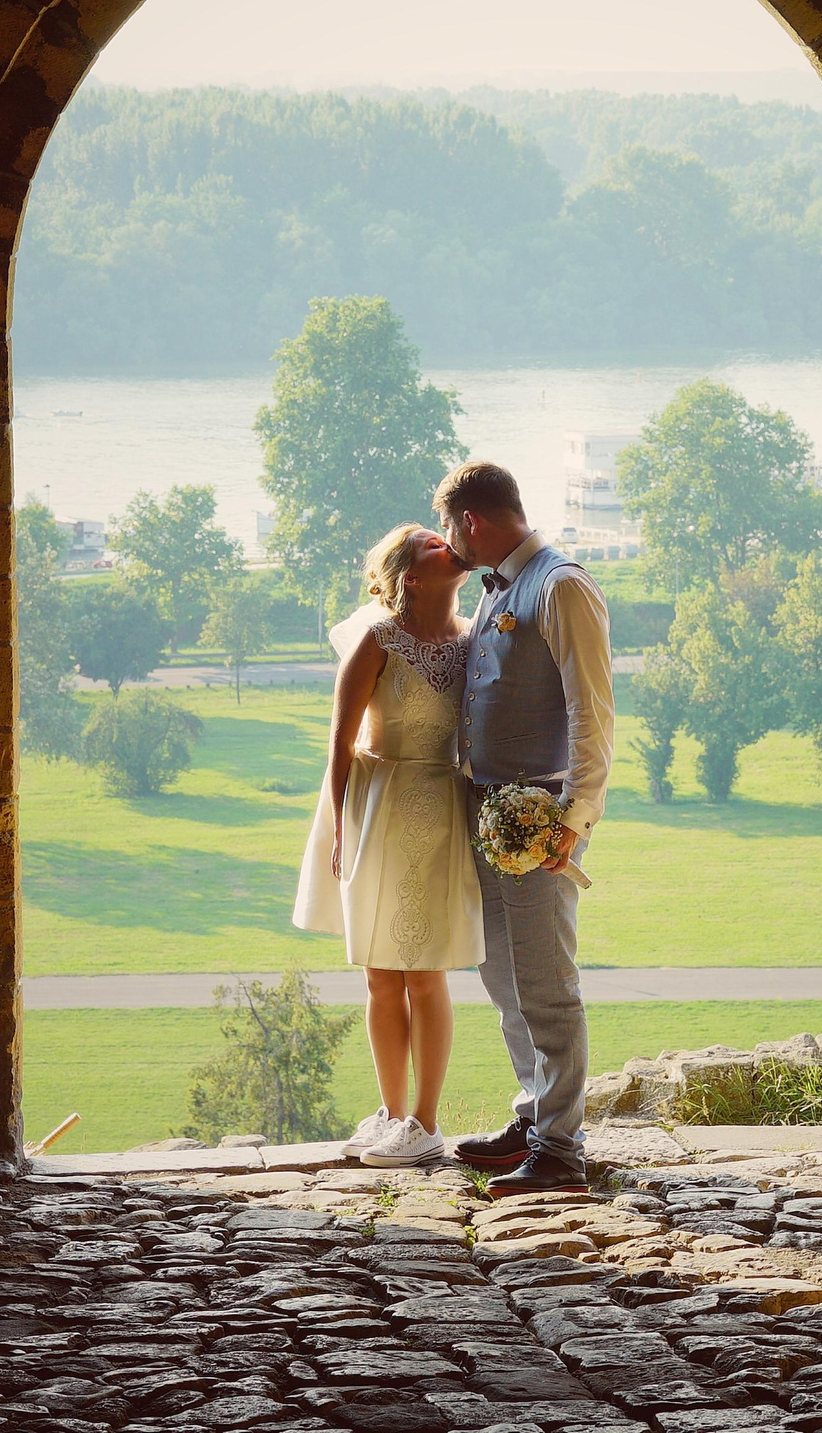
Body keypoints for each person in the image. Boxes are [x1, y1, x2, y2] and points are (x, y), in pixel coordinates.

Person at [434, 460, 614, 1194]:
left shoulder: (560, 584)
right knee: (502, 976)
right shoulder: (497, 588)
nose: (449, 542)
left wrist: (572, 817)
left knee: (545, 981)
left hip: (538, 824)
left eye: (450, 527)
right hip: (487, 819)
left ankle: (561, 1152)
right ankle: (533, 1116)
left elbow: (591, 712)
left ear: (472, 520)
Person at [290, 523, 482, 1167]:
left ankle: (426, 1125)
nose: (446, 542)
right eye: (430, 542)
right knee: (379, 973)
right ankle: (393, 1113)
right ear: (411, 575)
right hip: (374, 807)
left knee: (425, 971)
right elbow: (339, 744)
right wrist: (342, 831)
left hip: (440, 808)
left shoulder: (476, 639)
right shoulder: (376, 641)